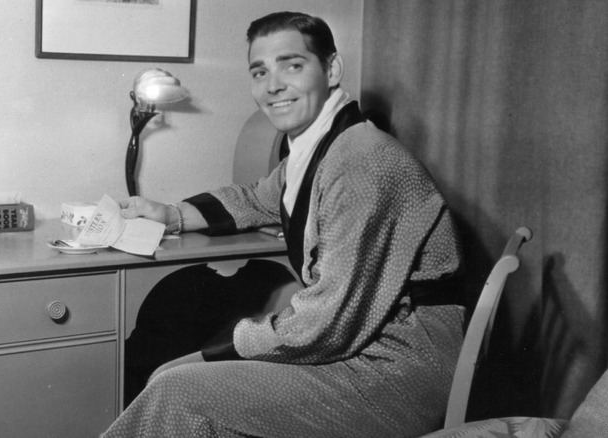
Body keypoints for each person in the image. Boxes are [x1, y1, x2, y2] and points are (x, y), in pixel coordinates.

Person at [102, 11, 465, 438]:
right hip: (369, 349)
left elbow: (325, 325)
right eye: (260, 71)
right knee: (172, 376)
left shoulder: (361, 161)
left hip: (398, 371)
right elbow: (257, 197)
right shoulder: (323, 146)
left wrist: (221, 348)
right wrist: (171, 213)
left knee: (177, 388)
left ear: (331, 69)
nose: (272, 85)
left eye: (292, 65)